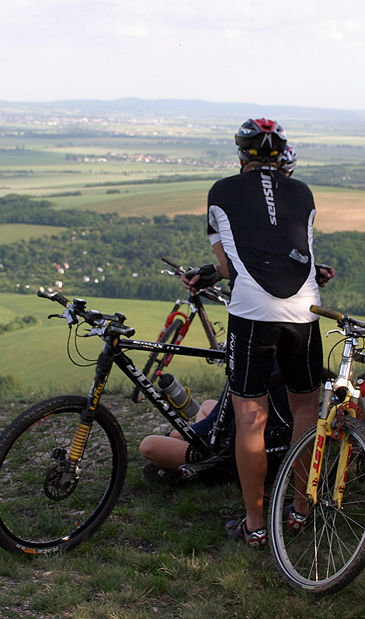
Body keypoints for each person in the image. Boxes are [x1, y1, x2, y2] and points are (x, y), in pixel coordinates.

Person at [182, 119, 329, 549]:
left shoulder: (221, 190)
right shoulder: (303, 192)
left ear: (241, 155)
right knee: (306, 411)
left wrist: (211, 272)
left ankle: (255, 526)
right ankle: (301, 510)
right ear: (281, 156)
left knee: (250, 418)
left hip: (252, 311)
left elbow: (230, 265)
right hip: (304, 310)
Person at [139, 381, 294, 483]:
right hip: (273, 436)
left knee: (149, 445)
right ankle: (188, 460)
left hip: (244, 451)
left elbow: (208, 424)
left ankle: (209, 469)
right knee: (207, 405)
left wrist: (175, 436)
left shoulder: (251, 361)